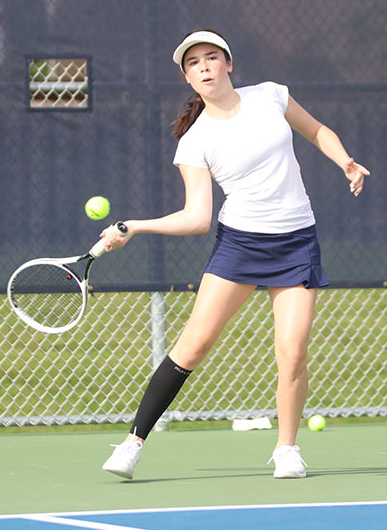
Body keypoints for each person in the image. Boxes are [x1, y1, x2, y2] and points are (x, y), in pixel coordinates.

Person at [99, 29, 368, 480]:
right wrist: (135, 226)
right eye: (193, 63)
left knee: (293, 350)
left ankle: (286, 449)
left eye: (210, 58)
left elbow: (318, 130)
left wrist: (344, 160)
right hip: (240, 245)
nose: (203, 67)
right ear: (188, 79)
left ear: (228, 64)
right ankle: (132, 443)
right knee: (193, 345)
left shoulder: (270, 96)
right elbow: (197, 217)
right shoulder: (195, 141)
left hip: (296, 240)